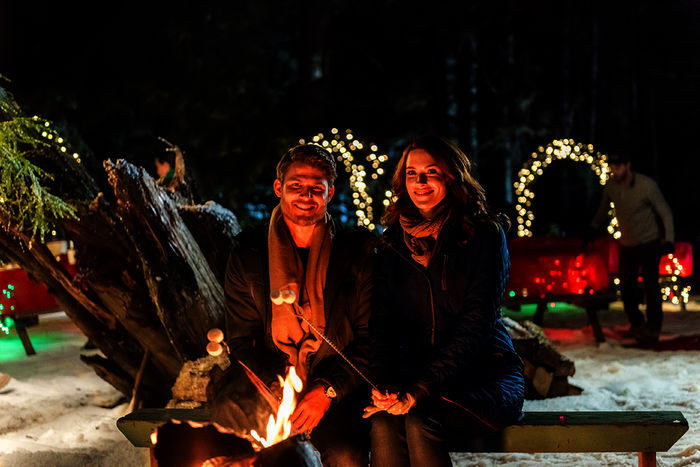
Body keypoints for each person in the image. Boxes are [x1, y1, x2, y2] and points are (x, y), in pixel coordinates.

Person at [364, 135, 525, 467]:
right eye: (411, 173)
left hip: (483, 373)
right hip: (418, 376)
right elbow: (382, 322)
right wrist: (383, 382)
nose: (419, 182)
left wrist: (419, 389)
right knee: (382, 420)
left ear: (451, 177)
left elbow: (476, 325)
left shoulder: (484, 236)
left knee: (421, 420)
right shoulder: (393, 242)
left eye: (431, 172)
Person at [211, 144, 375, 466]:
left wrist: (326, 391)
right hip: (268, 387)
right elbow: (241, 342)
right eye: (296, 186)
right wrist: (279, 392)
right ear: (279, 188)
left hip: (335, 392)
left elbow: (370, 341)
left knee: (346, 454)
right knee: (236, 441)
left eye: (316, 188)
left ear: (329, 193)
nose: (305, 195)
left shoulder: (358, 254)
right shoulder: (248, 255)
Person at [589, 152, 674, 344]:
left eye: (617, 168)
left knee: (651, 286)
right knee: (626, 288)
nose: (614, 171)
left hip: (649, 243)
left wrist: (669, 240)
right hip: (627, 244)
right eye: (611, 168)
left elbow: (665, 212)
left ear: (628, 165)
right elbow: (604, 209)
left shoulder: (646, 186)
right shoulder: (611, 186)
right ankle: (637, 324)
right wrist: (593, 227)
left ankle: (653, 327)